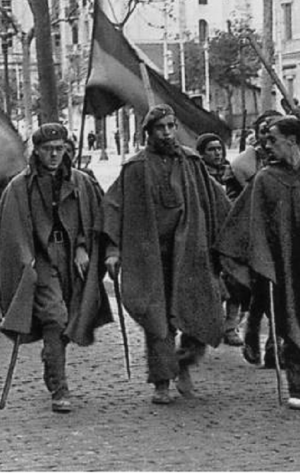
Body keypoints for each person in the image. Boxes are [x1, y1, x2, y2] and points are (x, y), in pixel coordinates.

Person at [101, 105, 228, 404]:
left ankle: (183, 360)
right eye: (161, 128)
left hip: (192, 253)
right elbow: (114, 208)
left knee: (202, 310)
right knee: (158, 321)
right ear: (149, 132)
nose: (168, 133)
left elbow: (215, 202)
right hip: (151, 256)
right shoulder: (135, 168)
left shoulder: (192, 162)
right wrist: (113, 249)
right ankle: (161, 381)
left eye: (171, 126)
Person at [0, 123, 112, 414]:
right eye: (47, 150)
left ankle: (51, 359)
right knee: (55, 316)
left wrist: (82, 246)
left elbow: (95, 218)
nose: (54, 155)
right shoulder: (20, 186)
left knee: (68, 319)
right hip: (39, 260)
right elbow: (9, 229)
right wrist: (24, 260)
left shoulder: (81, 182)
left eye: (60, 148)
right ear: (36, 151)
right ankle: (59, 386)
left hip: (71, 258)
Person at [216, 116, 300, 410]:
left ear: (291, 141)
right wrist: (259, 259)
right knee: (294, 325)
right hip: (286, 270)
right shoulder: (265, 180)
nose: (266, 145)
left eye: (273, 139)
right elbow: (247, 223)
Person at [226, 110, 284, 368]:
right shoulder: (245, 165)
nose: (268, 139)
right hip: (255, 238)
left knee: (284, 297)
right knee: (261, 293)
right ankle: (252, 333)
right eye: (264, 132)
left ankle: (275, 345)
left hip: (286, 240)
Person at [196, 133, 246, 347]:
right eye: (211, 150)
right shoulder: (196, 176)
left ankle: (230, 325)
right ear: (201, 154)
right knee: (208, 283)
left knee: (236, 280)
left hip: (231, 235)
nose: (217, 153)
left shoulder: (232, 173)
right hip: (205, 236)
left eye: (219, 149)